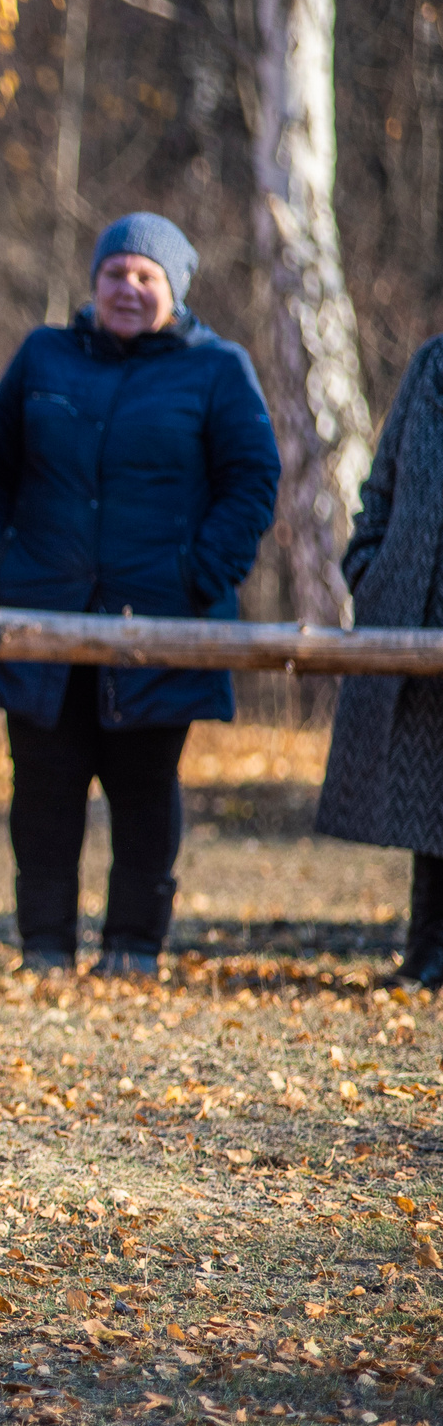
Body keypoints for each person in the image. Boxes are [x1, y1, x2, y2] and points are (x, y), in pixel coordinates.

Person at [0, 213, 280, 976]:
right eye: (115, 273)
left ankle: (133, 946)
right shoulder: (44, 356)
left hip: (161, 623)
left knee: (144, 788)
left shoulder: (217, 368)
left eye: (146, 276)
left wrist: (200, 574)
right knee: (43, 788)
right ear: (94, 280)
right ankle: (45, 947)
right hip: (44, 617)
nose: (128, 288)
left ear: (175, 288)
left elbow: (252, 479)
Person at [313, 336, 443, 989]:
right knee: (431, 799)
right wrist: (369, 563)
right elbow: (383, 482)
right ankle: (428, 952)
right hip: (416, 612)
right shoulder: (432, 364)